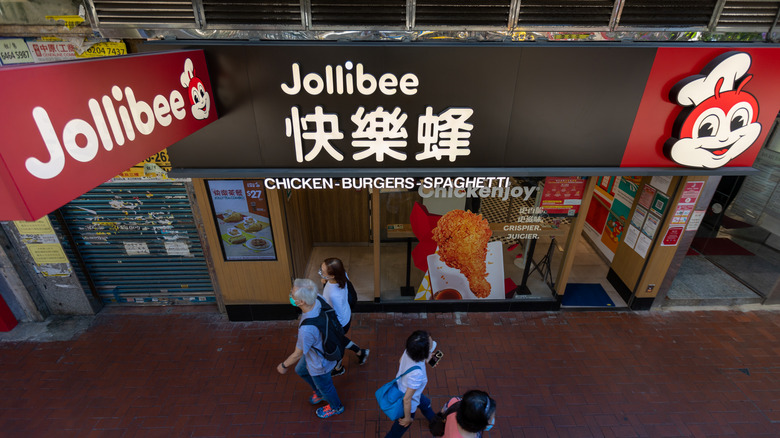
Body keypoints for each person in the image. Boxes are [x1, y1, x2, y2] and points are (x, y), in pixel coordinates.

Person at [276, 278, 345, 419]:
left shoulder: (306, 329)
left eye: (292, 294)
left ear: (301, 302)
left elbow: (297, 354)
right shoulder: (317, 298)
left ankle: (336, 407)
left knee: (327, 387)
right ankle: (319, 392)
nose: (290, 295)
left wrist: (283, 365)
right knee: (300, 370)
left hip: (320, 363)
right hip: (319, 352)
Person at [318, 257, 369, 376]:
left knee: (337, 344)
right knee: (340, 340)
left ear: (332, 276)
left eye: (323, 271)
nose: (321, 272)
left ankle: (338, 367)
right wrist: (326, 283)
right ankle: (360, 353)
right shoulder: (343, 276)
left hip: (339, 323)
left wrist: (334, 329)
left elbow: (333, 311)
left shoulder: (333, 295)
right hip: (346, 315)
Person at [384, 330, 438, 438]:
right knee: (396, 432)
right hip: (408, 399)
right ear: (423, 354)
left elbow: (400, 361)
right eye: (430, 346)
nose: (433, 345)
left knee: (424, 402)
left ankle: (434, 421)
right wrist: (407, 418)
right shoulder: (417, 374)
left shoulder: (410, 349)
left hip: (408, 388)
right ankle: (435, 422)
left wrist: (425, 358)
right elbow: (407, 399)